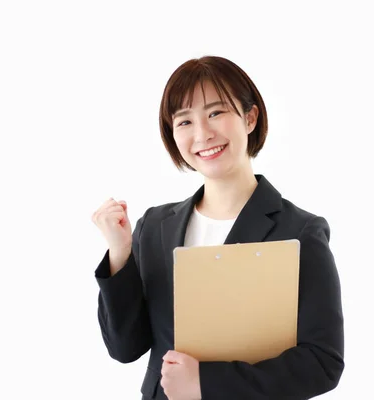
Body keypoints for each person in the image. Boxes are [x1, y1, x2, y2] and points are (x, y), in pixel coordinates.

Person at [91, 56, 344, 400]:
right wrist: (120, 254)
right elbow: (124, 348)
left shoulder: (299, 231)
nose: (202, 134)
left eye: (215, 113)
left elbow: (322, 362)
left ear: (250, 117)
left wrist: (206, 382)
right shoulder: (155, 226)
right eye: (184, 121)